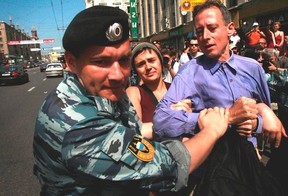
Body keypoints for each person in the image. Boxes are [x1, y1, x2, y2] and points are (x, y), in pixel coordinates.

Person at [33, 5, 230, 195]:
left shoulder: (99, 91)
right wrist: (212, 130)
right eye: (101, 62)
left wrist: (175, 121)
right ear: (72, 62)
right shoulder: (77, 123)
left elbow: (132, 130)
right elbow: (168, 167)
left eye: (124, 60)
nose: (118, 75)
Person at [154, 0, 286, 155]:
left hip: (249, 162)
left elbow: (267, 124)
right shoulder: (190, 71)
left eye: (212, 28)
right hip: (211, 164)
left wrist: (259, 120)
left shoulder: (253, 68)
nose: (205, 36)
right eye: (199, 31)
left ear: (230, 29)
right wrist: (224, 118)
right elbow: (161, 121)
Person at [126, 42, 171, 139]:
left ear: (160, 62)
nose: (148, 67)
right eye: (141, 64)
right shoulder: (134, 92)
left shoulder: (175, 87)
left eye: (151, 60)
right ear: (136, 70)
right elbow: (136, 130)